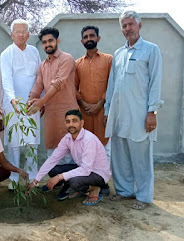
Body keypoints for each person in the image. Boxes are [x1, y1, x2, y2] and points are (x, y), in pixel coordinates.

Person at [104, 11, 163, 210]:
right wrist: (108, 111)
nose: (127, 28)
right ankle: (124, 192)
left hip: (140, 115)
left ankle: (144, 197)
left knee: (141, 158)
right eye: (124, 26)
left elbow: (155, 82)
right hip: (119, 115)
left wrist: (152, 112)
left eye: (131, 24)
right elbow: (112, 85)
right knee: (120, 157)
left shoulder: (151, 50)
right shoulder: (118, 54)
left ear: (139, 25)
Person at [27, 27, 79, 195]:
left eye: (50, 40)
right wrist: (29, 101)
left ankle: (71, 186)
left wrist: (41, 102)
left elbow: (58, 84)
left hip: (68, 114)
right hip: (51, 116)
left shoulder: (67, 59)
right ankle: (57, 182)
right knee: (53, 154)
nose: (47, 44)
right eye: (44, 42)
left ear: (57, 41)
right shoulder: (42, 66)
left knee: (70, 153)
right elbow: (37, 87)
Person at [29, 110, 111, 205]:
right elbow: (53, 158)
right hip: (83, 170)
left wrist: (59, 177)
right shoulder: (67, 138)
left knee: (74, 182)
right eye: (68, 121)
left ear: (82, 123)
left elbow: (86, 169)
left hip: (97, 173)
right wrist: (35, 181)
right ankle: (75, 188)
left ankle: (94, 189)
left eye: (74, 121)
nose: (71, 124)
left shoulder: (88, 139)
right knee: (53, 170)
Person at [0, 19, 41, 189]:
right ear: (11, 34)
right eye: (17, 31)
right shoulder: (6, 54)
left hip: (33, 103)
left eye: (24, 31)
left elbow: (40, 76)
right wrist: (12, 98)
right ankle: (15, 179)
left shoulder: (34, 52)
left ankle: (32, 176)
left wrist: (41, 99)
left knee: (32, 140)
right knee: (14, 142)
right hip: (13, 104)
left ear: (29, 34)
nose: (21, 34)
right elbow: (6, 79)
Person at [75, 25, 112, 148]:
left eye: (92, 36)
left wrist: (99, 104)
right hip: (85, 113)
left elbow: (112, 85)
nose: (88, 39)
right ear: (82, 41)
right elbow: (73, 88)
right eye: (85, 37)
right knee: (86, 148)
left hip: (104, 111)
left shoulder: (108, 60)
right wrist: (84, 105)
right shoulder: (77, 64)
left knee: (104, 148)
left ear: (98, 38)